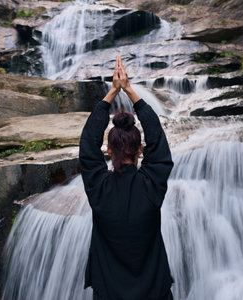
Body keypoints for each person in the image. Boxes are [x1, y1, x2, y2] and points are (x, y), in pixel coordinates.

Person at [79, 56, 174, 300]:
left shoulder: (99, 189)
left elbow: (88, 144)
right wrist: (131, 91)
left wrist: (111, 93)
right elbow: (160, 144)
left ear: (108, 151)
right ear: (140, 149)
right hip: (155, 293)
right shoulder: (151, 186)